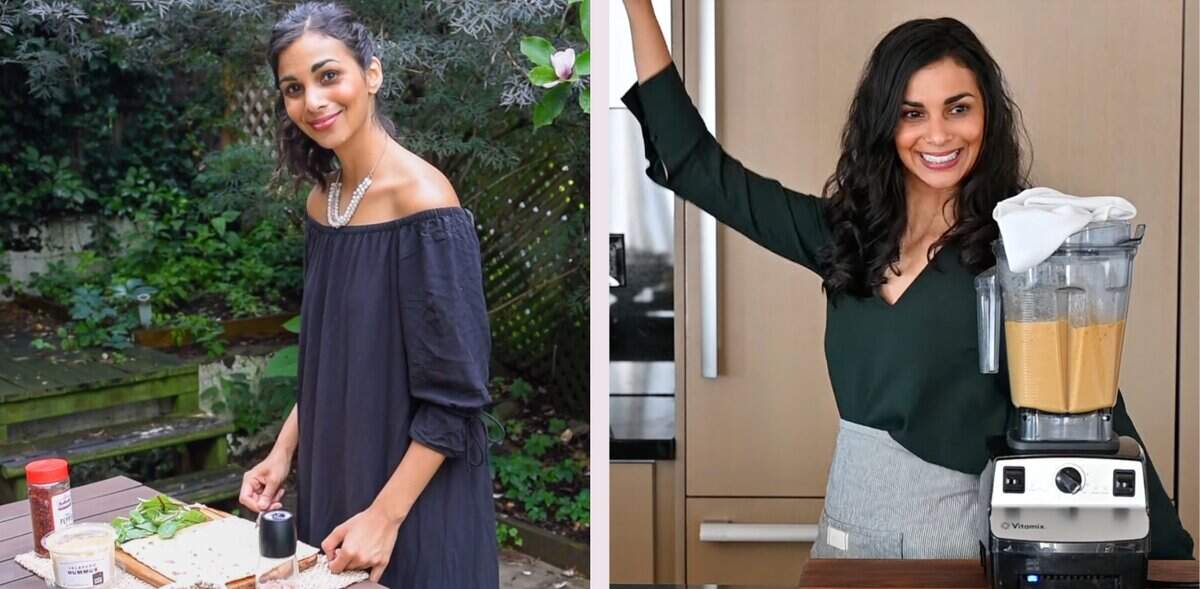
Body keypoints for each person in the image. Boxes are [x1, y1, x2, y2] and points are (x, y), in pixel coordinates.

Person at [622, 0, 1194, 559]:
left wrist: (1173, 557)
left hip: (956, 554)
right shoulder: (844, 237)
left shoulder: (1023, 247)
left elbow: (1090, 409)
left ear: (987, 115)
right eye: (912, 112)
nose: (938, 135)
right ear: (884, 124)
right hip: (845, 545)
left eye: (958, 108)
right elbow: (694, 166)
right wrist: (638, 5)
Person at [237, 3, 500, 586]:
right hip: (336, 481)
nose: (313, 100)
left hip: (414, 504)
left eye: (329, 76)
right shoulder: (322, 203)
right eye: (294, 88)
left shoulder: (425, 202)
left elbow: (456, 399)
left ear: (371, 75)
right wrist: (283, 454)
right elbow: (331, 360)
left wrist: (384, 517)